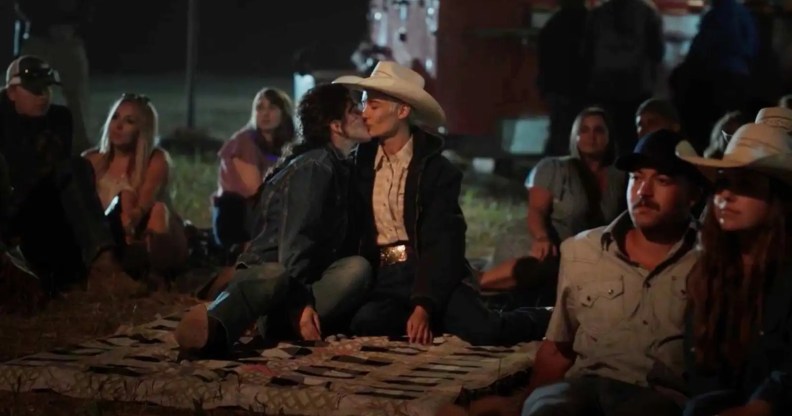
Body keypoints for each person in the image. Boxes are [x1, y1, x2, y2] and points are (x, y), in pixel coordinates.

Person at [333, 61, 551, 346]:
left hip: (427, 268)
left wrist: (424, 305)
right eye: (363, 104)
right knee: (366, 324)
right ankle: (435, 319)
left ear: (402, 111)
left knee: (485, 330)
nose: (364, 113)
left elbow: (444, 241)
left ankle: (547, 317)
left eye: (373, 106)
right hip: (384, 276)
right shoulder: (358, 165)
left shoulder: (437, 171)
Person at [175, 83, 372, 357]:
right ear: (336, 126)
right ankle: (216, 326)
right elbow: (294, 246)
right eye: (353, 111)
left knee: (356, 269)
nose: (363, 114)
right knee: (274, 274)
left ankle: (275, 324)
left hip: (300, 283)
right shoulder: (315, 167)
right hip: (273, 278)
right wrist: (300, 306)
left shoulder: (340, 166)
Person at [521, 129, 703, 416]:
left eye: (662, 180)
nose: (644, 192)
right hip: (580, 390)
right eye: (636, 178)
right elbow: (557, 349)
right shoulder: (582, 251)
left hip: (656, 399)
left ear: (692, 195)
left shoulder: (710, 260)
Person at [0, 55, 142, 299]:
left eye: (46, 88)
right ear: (12, 92)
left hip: (47, 212)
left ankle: (104, 265)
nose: (43, 95)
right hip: (13, 215)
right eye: (34, 90)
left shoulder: (59, 118)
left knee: (77, 169)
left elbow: (58, 173)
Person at [677, 123, 792, 415]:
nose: (726, 196)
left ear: (775, 199)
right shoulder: (708, 272)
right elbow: (701, 369)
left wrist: (762, 405)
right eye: (722, 183)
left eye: (745, 185)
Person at [484, 107, 625, 307]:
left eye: (599, 130)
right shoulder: (555, 168)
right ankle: (476, 284)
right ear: (575, 136)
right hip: (541, 241)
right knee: (542, 264)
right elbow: (537, 209)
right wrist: (542, 238)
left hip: (582, 253)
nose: (591, 136)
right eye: (584, 130)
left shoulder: (619, 177)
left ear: (609, 136)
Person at [82, 93, 187, 281]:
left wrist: (129, 221)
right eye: (115, 117)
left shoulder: (155, 160)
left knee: (155, 208)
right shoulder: (91, 160)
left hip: (143, 235)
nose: (118, 126)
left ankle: (156, 276)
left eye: (129, 121)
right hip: (104, 238)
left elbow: (145, 203)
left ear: (142, 130)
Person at [212, 87, 295, 254]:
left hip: (263, 217)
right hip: (237, 219)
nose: (265, 114)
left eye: (271, 108)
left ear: (284, 113)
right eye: (259, 107)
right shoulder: (244, 141)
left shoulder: (285, 146)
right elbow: (256, 191)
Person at [15, 0, 93, 154]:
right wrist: (46, 25)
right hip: (39, 37)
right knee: (28, 93)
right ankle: (26, 140)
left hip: (68, 36)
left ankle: (80, 143)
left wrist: (74, 25)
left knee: (76, 94)